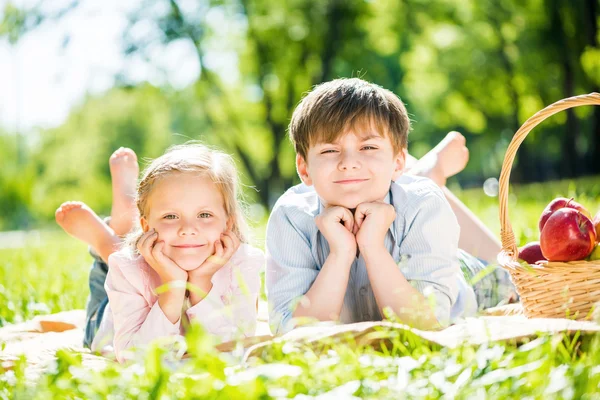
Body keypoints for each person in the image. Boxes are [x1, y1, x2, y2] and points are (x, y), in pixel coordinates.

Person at [265, 78, 515, 334]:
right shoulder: (290, 217)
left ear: (397, 163)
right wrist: (340, 254)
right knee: (410, 187)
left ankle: (426, 175)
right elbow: (292, 333)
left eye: (368, 147)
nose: (348, 162)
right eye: (330, 150)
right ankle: (423, 171)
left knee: (513, 273)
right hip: (399, 193)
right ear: (304, 168)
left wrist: (373, 247)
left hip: (460, 275)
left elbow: (427, 324)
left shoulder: (422, 204)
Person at [55, 144, 264, 362]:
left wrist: (200, 283)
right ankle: (105, 242)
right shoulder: (126, 268)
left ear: (228, 223)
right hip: (111, 316)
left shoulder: (244, 264)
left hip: (141, 257)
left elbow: (234, 349)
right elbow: (134, 358)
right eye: (171, 216)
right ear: (146, 226)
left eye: (204, 214)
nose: (188, 229)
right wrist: (173, 288)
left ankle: (120, 228)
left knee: (122, 253)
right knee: (114, 265)